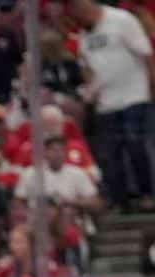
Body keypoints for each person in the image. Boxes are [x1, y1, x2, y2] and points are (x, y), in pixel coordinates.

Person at [70, 0, 155, 212]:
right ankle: (120, 199)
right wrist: (90, 90)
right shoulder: (84, 34)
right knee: (111, 152)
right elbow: (85, 64)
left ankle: (147, 194)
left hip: (133, 93)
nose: (77, 18)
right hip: (106, 100)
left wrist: (151, 86)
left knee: (135, 143)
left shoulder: (121, 20)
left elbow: (146, 53)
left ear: (87, 8)